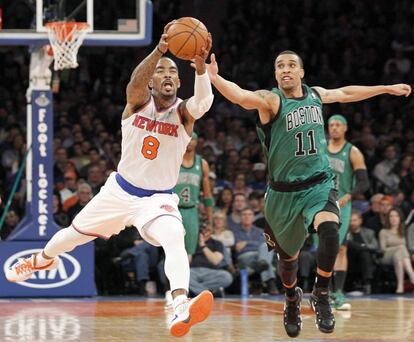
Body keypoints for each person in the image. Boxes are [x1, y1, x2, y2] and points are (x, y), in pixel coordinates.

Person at [5, 21, 214, 338]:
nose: (169, 75)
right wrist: (160, 50)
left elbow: (203, 103)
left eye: (173, 70)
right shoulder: (137, 104)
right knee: (70, 237)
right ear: (152, 80)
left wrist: (199, 70)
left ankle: (179, 306)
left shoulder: (185, 113)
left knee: (174, 236)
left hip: (156, 200)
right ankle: (40, 259)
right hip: (118, 193)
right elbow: (133, 86)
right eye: (161, 71)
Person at [205, 49, 411, 337]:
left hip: (318, 184)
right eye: (280, 66)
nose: (286, 69)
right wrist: (213, 77)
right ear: (276, 74)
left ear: (301, 72)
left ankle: (322, 292)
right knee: (287, 263)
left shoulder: (315, 94)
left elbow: (347, 93)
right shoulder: (271, 101)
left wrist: (385, 88)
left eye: (291, 65)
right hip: (282, 194)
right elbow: (240, 96)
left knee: (329, 230)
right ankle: (291, 298)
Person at [326, 114, 369, 310]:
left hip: (342, 205)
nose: (334, 128)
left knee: (340, 248)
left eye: (338, 125)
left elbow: (363, 182)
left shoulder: (353, 152)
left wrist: (349, 195)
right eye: (331, 125)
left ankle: (338, 293)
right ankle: (323, 291)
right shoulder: (320, 149)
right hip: (320, 203)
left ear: (345, 128)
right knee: (325, 249)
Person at [175, 132, 214, 257]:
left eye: (192, 139)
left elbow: (207, 196)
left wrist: (210, 221)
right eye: (186, 139)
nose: (189, 142)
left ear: (197, 142)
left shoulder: (202, 164)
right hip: (173, 209)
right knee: (172, 251)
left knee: (188, 253)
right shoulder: (173, 160)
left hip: (191, 210)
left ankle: (186, 277)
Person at [378, 208, 414, 294]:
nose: (394, 218)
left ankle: (400, 286)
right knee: (401, 248)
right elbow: (382, 249)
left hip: (400, 257)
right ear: (388, 218)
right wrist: (398, 247)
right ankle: (412, 276)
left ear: (400, 218)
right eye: (391, 216)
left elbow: (409, 246)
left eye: (396, 216)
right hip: (386, 256)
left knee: (399, 257)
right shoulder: (383, 231)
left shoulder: (403, 231)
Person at [346, 209, 379, 295]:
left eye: (354, 220)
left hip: (366, 261)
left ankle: (367, 284)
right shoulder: (345, 233)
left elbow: (375, 246)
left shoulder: (369, 232)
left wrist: (361, 247)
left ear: (360, 221)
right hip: (349, 260)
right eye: (350, 221)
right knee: (350, 245)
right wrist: (362, 246)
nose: (352, 223)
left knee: (364, 253)